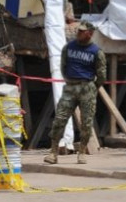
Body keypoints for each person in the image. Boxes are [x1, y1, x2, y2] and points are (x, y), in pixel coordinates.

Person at [45, 21, 106, 165]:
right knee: (60, 119)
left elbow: (102, 74)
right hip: (70, 87)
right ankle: (53, 152)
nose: (78, 33)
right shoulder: (69, 47)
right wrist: (69, 80)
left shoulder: (96, 52)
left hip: (87, 87)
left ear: (89, 33)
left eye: (82, 31)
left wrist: (93, 87)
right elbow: (63, 66)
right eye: (78, 30)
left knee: (86, 122)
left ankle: (82, 152)